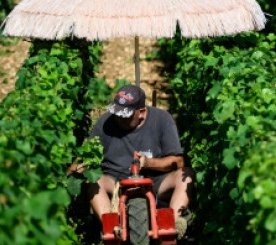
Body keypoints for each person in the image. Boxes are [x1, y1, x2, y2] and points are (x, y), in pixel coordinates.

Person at [69, 84, 192, 239]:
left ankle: (171, 224)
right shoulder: (106, 122)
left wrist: (148, 163)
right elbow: (86, 155)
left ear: (142, 112)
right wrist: (71, 173)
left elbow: (178, 162)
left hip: (155, 182)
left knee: (186, 174)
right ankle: (111, 228)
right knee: (92, 179)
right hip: (115, 183)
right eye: (117, 113)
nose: (119, 118)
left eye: (125, 115)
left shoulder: (162, 119)